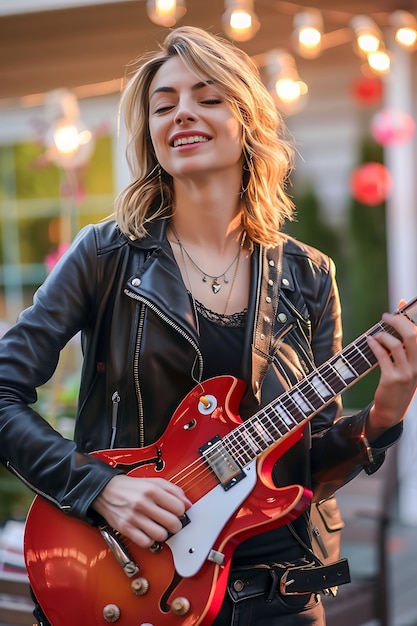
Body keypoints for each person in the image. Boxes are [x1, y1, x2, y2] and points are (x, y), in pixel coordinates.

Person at [0, 26, 417, 626]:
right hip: (137, 583)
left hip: (280, 594)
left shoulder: (309, 275)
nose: (182, 115)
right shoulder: (105, 257)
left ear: (247, 120)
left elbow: (305, 469)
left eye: (207, 97)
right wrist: (100, 489)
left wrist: (382, 417)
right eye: (163, 106)